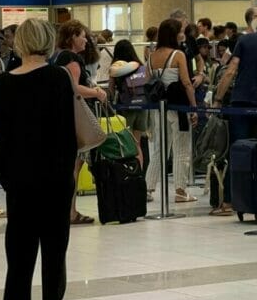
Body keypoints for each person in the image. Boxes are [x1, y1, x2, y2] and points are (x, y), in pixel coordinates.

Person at [0, 19, 76, 300]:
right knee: (54, 254)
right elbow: (66, 132)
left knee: (19, 257)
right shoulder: (58, 78)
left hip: (19, 180)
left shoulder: (3, 83)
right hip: (54, 179)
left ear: (20, 42)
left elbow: (0, 129)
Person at [212, 8, 257, 216]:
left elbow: (231, 70)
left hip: (241, 102)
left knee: (237, 150)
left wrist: (218, 98)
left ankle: (231, 200)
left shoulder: (245, 41)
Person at [53, 20, 108, 225]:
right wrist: (96, 92)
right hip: (76, 118)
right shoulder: (72, 58)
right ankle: (70, 211)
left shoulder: (58, 57)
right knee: (75, 166)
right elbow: (74, 88)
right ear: (72, 37)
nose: (86, 39)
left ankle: (68, 210)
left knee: (71, 166)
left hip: (64, 117)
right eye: (82, 35)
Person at [145, 18, 199, 204]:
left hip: (159, 107)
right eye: (181, 30)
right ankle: (180, 190)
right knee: (182, 147)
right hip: (178, 106)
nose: (183, 33)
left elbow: (147, 80)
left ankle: (148, 188)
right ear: (174, 34)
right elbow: (186, 82)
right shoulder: (178, 54)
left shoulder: (152, 56)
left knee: (160, 148)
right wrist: (193, 107)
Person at [108, 39, 148, 168]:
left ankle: (130, 173)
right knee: (137, 143)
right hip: (142, 107)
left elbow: (111, 90)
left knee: (126, 143)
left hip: (126, 108)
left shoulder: (116, 69)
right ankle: (140, 173)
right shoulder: (140, 66)